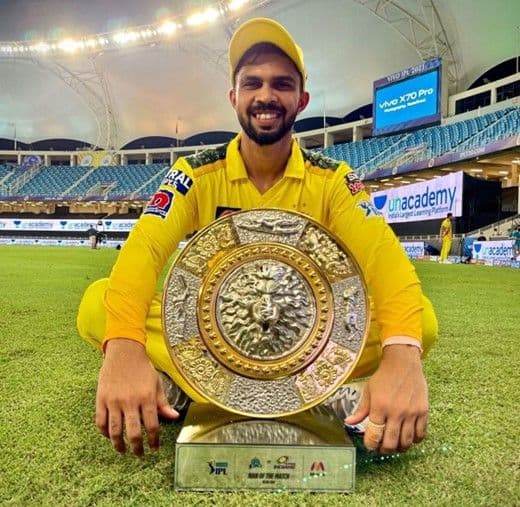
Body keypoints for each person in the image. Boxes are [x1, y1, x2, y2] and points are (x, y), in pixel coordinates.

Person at [77, 17, 438, 457]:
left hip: (309, 340)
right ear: (234, 97)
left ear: (301, 99)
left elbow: (383, 256)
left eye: (281, 84)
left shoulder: (333, 180)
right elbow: (146, 247)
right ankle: (323, 400)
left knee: (421, 323)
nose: (266, 95)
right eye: (253, 83)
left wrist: (402, 356)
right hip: (210, 338)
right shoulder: (194, 173)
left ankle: (186, 392)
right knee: (98, 304)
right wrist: (125, 350)